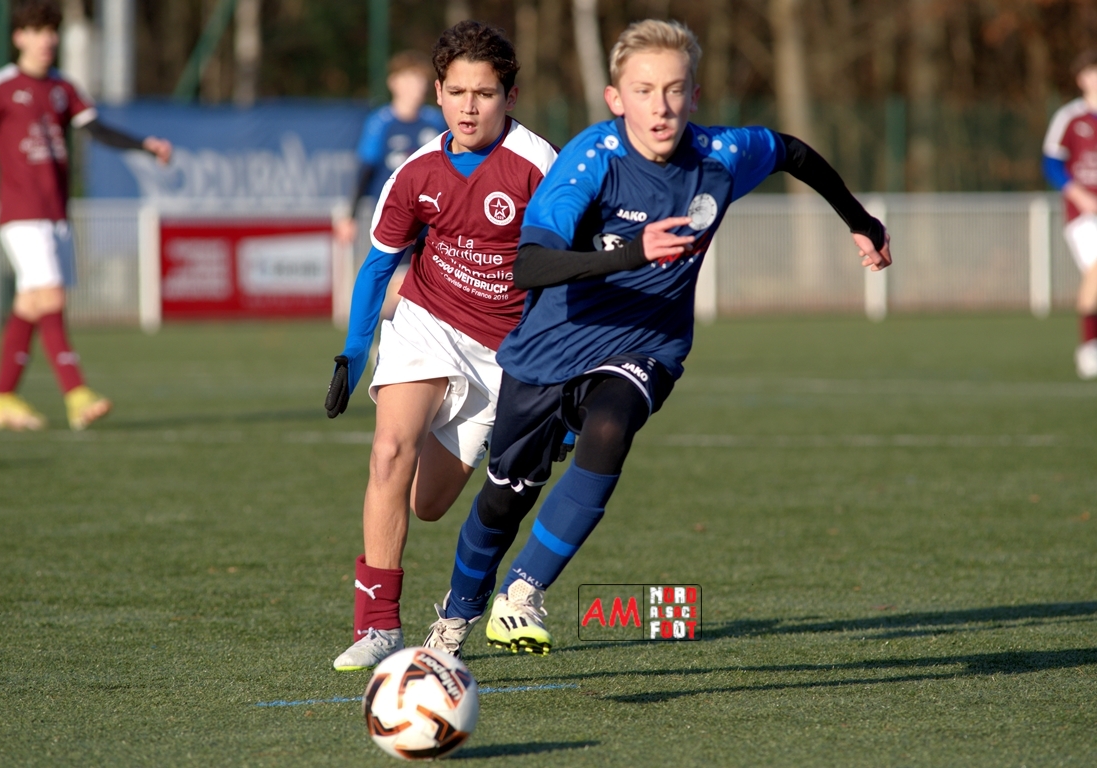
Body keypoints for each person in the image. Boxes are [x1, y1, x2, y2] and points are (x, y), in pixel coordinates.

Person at [423, 19, 892, 657]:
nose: (661, 106)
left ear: (694, 95)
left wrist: (861, 222)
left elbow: (792, 152)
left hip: (646, 344)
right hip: (552, 345)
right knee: (505, 499)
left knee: (611, 426)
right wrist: (630, 253)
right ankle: (455, 619)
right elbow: (529, 265)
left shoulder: (721, 154)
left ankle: (523, 592)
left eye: (674, 90)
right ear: (616, 98)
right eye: (644, 91)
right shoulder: (591, 159)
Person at [324, 20, 559, 671]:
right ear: (437, 92)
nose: (468, 107)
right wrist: (352, 353)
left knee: (427, 505)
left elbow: (570, 276)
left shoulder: (541, 167)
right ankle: (377, 625)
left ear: (510, 96)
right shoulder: (415, 172)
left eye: (483, 93)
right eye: (456, 92)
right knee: (388, 452)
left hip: (503, 354)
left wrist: (562, 376)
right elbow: (378, 265)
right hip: (426, 321)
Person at [0, 0, 172, 431]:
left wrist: (144, 145)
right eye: (37, 30)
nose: (47, 39)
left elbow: (96, 129)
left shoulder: (63, 87)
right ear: (19, 37)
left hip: (56, 214)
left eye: (51, 30)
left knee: (31, 304)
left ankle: (1, 399)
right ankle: (76, 393)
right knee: (51, 297)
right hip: (21, 215)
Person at [333, 51, 448, 321]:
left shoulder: (435, 122)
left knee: (432, 285)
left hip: (433, 218)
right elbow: (366, 169)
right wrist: (350, 216)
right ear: (393, 83)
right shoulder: (381, 123)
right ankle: (384, 333)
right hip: (396, 217)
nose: (414, 87)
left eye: (418, 80)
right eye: (407, 80)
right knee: (399, 284)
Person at [1042, 48, 1097, 380]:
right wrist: (1079, 195)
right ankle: (1089, 348)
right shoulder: (1070, 117)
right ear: (1081, 79)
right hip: (1083, 214)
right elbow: (1051, 163)